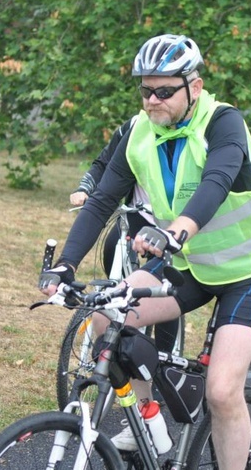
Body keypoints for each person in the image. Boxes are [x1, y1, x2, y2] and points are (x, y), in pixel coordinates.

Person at [40, 34, 251, 468]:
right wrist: (65, 265)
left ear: (196, 87)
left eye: (165, 91)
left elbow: (216, 181)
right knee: (105, 312)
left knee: (223, 391)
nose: (152, 100)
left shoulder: (222, 122)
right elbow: (101, 202)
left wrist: (177, 231)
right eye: (146, 90)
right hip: (189, 265)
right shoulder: (137, 133)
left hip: (248, 271)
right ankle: (150, 424)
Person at [68, 121, 183, 352]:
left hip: (170, 221)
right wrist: (84, 188)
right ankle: (119, 306)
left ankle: (165, 355)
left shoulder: (184, 137)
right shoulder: (132, 128)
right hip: (137, 213)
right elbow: (103, 163)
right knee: (112, 246)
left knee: (164, 284)